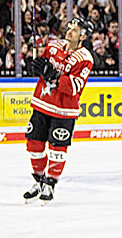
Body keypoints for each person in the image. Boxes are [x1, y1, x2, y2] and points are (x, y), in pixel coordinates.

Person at [22, 16, 95, 203]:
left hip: (64, 110)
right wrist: (37, 67)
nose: (69, 31)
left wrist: (53, 76)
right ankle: (38, 181)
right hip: (42, 103)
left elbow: (76, 86)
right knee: (34, 145)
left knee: (57, 149)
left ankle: (50, 184)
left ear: (83, 37)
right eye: (69, 27)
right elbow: (43, 65)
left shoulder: (85, 58)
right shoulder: (53, 46)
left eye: (75, 30)